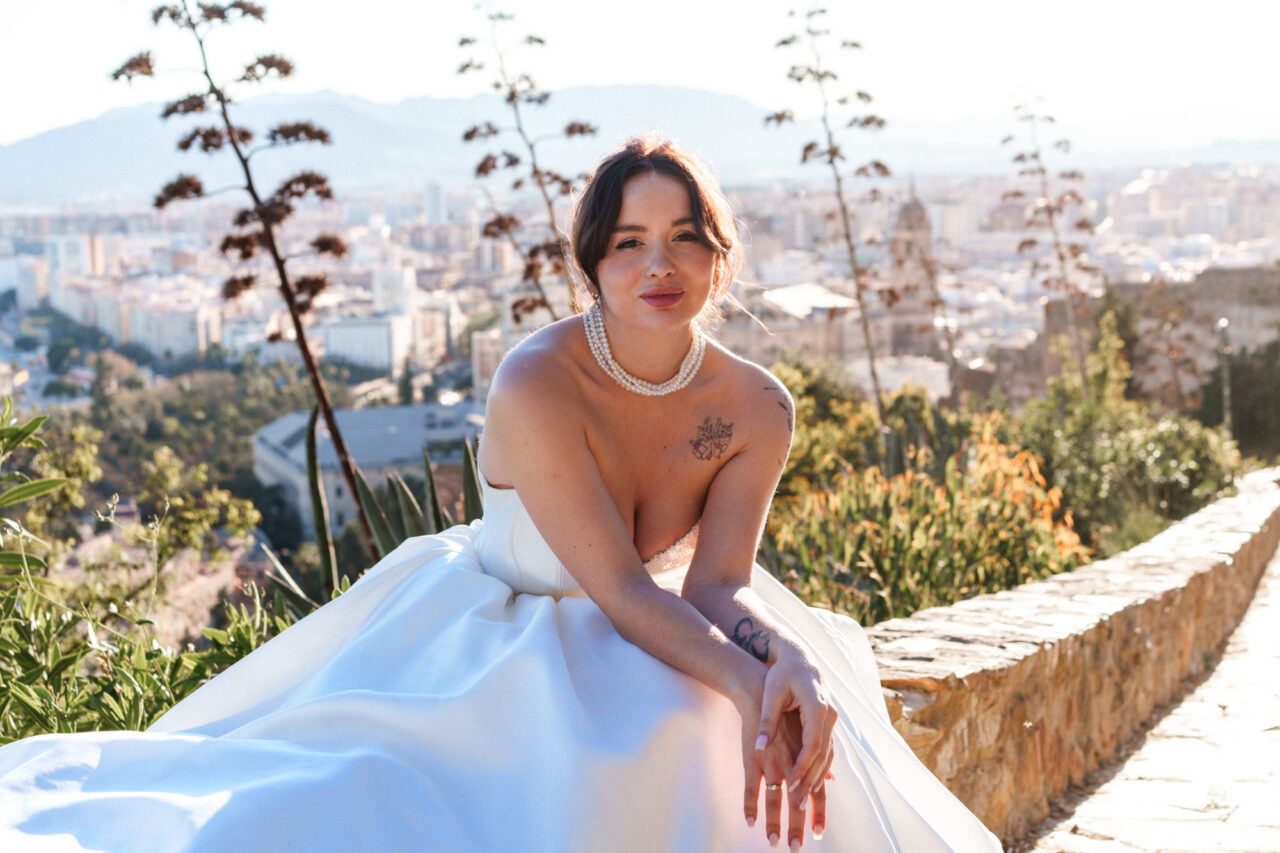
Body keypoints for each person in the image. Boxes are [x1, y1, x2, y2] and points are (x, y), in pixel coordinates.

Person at [0, 136, 1001, 852]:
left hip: (657, 620)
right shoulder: (536, 379)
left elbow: (718, 585)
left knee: (772, 723)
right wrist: (743, 683)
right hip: (503, 624)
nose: (659, 263)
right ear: (591, 264)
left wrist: (785, 660)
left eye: (686, 237)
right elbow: (617, 586)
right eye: (627, 242)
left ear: (718, 257)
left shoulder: (754, 405)